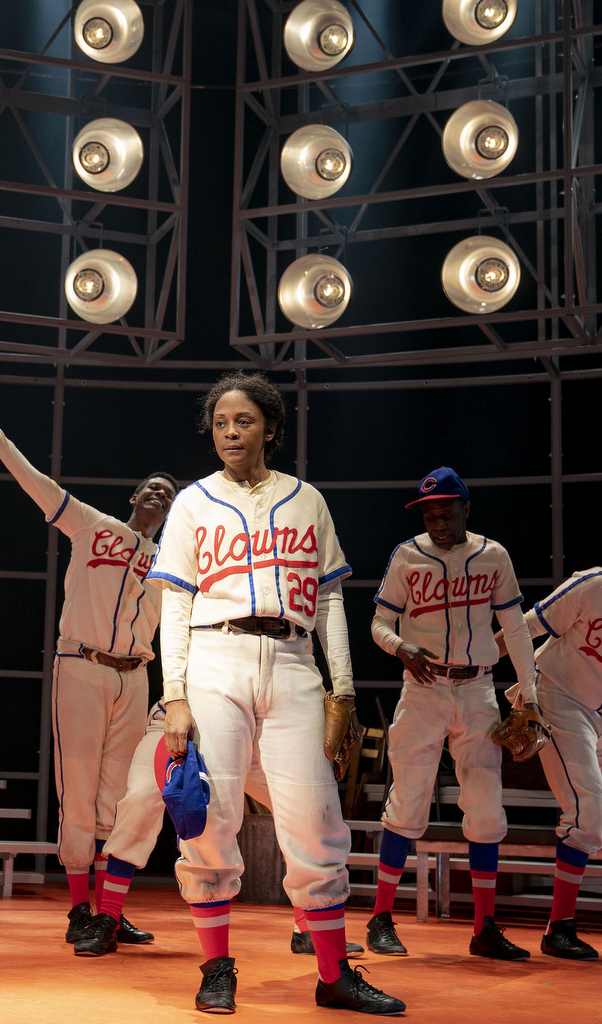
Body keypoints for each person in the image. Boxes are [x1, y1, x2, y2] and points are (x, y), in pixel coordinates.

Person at [142, 370, 405, 1014]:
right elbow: (175, 601)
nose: (231, 431)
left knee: (315, 819)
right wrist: (173, 692)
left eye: (245, 421)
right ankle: (216, 967)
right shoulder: (194, 502)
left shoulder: (305, 499)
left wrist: (342, 690)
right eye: (221, 422)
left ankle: (333, 974)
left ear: (271, 429)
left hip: (292, 660)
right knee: (209, 814)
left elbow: (334, 596)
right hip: (214, 655)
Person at [0, 389, 178, 945]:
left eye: (169, 493)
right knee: (77, 791)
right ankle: (81, 909)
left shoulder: (174, 563)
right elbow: (30, 477)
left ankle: (109, 910)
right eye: (153, 486)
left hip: (136, 676)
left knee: (118, 798)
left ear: (173, 511)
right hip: (82, 666)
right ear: (134, 495)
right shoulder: (90, 524)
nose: (159, 492)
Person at [368, 466, 538, 961]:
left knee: (485, 808)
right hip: (422, 691)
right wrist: (399, 646)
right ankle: (381, 918)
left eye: (446, 510)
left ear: (467, 508)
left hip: (478, 689)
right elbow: (379, 621)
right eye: (429, 513)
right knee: (408, 801)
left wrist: (528, 695)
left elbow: (517, 628)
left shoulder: (494, 555)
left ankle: (485, 927)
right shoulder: (407, 554)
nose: (437, 521)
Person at [72, 704, 364, 959]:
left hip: (242, 733)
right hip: (175, 726)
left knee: (300, 809)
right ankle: (109, 916)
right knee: (139, 801)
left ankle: (306, 928)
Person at [495, 569, 602, 960]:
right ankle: (559, 928)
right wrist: (477, 664)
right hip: (555, 696)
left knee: (594, 817)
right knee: (587, 813)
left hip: (597, 712)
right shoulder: (594, 584)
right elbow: (526, 628)